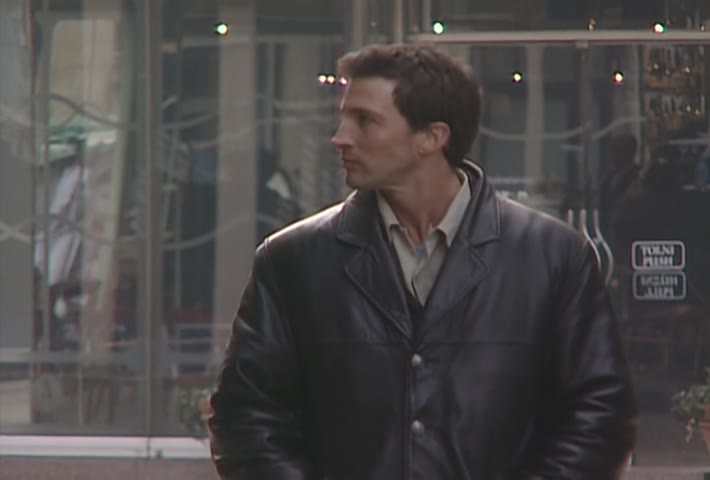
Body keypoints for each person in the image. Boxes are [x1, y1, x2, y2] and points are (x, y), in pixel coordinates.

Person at [209, 43, 637, 480]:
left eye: (365, 121)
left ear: (432, 137)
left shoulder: (553, 257)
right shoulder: (293, 261)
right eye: (344, 118)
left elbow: (599, 417)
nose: (340, 137)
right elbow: (246, 419)